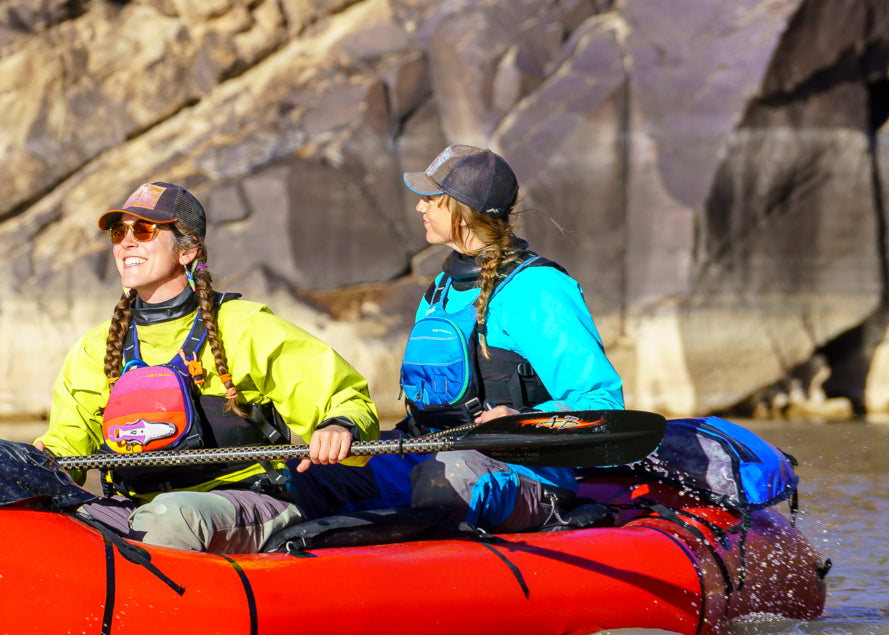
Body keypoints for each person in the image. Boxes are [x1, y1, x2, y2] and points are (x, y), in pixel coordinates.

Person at [33, 181, 381, 554]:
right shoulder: (97, 347)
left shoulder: (244, 326)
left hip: (247, 501)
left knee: (171, 517)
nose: (126, 242)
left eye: (144, 230)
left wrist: (339, 425)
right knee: (41, 522)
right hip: (138, 507)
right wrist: (36, 467)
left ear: (188, 250)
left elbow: (344, 398)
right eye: (119, 232)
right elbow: (64, 448)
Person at [372, 143, 626, 532]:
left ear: (462, 209)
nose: (420, 207)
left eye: (432, 199)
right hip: (436, 452)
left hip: (524, 472)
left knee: (447, 474)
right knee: (323, 473)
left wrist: (520, 419)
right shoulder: (441, 288)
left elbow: (601, 403)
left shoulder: (538, 289)